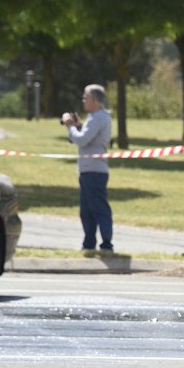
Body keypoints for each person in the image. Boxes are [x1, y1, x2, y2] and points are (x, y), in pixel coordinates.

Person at [61, 85, 113, 252]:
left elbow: (82, 139)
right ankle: (89, 243)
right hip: (87, 170)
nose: (84, 100)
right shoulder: (96, 117)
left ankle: (106, 244)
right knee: (86, 210)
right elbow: (85, 137)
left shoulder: (98, 117)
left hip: (95, 171)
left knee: (98, 208)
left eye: (86, 97)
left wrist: (70, 126)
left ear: (95, 101)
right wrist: (77, 126)